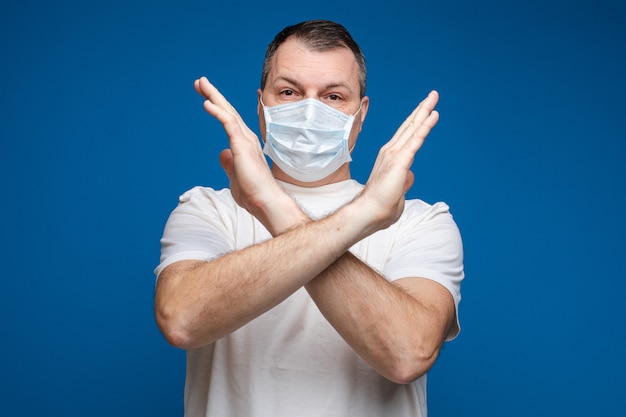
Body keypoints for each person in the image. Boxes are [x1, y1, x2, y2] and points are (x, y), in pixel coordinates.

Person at [154, 19, 464, 417]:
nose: (310, 112)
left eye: (334, 96)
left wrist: (272, 206)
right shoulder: (206, 209)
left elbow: (407, 353)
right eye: (289, 92)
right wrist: (363, 214)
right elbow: (182, 320)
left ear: (361, 113)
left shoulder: (422, 222)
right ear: (261, 104)